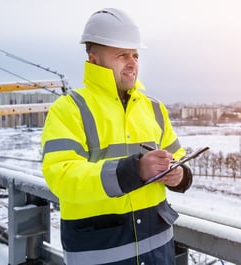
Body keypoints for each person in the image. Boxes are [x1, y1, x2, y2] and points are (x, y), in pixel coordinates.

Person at [41, 7, 192, 265]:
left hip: (157, 251)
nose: (132, 62)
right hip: (99, 252)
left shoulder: (154, 108)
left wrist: (179, 175)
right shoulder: (69, 109)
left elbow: (177, 156)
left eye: (135, 54)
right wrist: (134, 171)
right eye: (122, 55)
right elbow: (62, 176)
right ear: (94, 60)